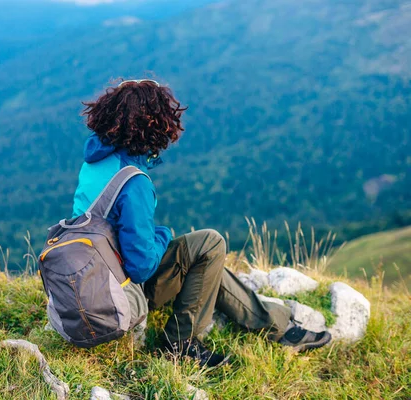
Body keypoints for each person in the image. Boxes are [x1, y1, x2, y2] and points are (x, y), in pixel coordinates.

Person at [72, 79, 331, 368]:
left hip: (90, 280)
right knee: (209, 244)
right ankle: (181, 344)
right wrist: (162, 236)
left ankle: (277, 326)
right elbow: (141, 266)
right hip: (120, 290)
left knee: (207, 257)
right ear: (152, 127)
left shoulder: (96, 161)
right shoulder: (133, 184)